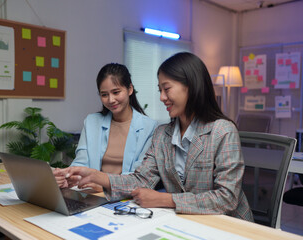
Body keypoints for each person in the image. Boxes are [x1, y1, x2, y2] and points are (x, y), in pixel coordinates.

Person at [55, 53, 254, 221]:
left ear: (191, 86)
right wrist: (99, 177)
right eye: (160, 90)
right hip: (186, 221)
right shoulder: (162, 134)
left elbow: (227, 198)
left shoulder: (222, 131)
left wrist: (167, 200)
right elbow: (142, 180)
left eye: (166, 89)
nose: (161, 97)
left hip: (229, 224)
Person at [53, 63, 157, 192]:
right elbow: (81, 162)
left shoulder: (150, 128)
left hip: (125, 197)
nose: (111, 100)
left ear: (130, 89)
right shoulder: (91, 122)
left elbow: (139, 177)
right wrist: (68, 177)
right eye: (104, 94)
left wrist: (104, 185)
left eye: (116, 92)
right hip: (91, 193)